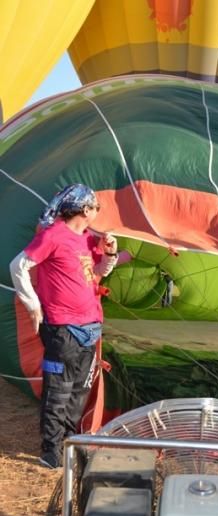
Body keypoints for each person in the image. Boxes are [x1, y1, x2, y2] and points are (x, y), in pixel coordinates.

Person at [9, 184, 119, 468]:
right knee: (58, 390)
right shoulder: (53, 235)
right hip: (63, 329)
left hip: (89, 327)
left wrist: (109, 255)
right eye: (96, 208)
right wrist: (33, 305)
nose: (98, 213)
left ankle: (70, 444)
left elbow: (94, 274)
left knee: (79, 391)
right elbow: (18, 266)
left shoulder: (84, 239)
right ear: (85, 209)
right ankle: (51, 452)